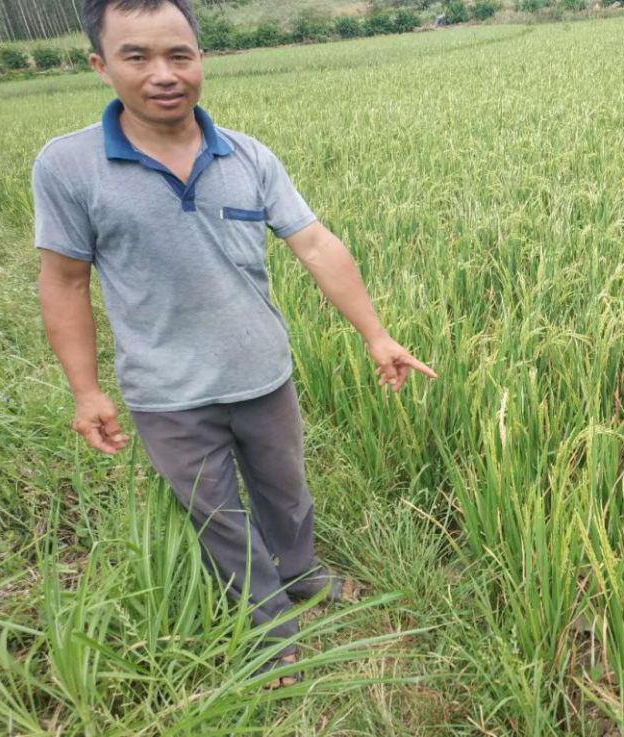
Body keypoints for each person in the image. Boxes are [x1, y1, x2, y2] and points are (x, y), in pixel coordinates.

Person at [31, 0, 438, 690]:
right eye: (137, 56)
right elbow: (64, 281)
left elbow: (314, 242)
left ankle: (302, 574)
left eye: (178, 54)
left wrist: (377, 334)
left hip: (262, 372)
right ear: (101, 66)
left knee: (286, 491)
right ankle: (268, 627)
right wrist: (86, 389)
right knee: (217, 514)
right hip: (167, 391)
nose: (163, 73)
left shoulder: (248, 155)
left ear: (201, 58)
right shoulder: (69, 167)